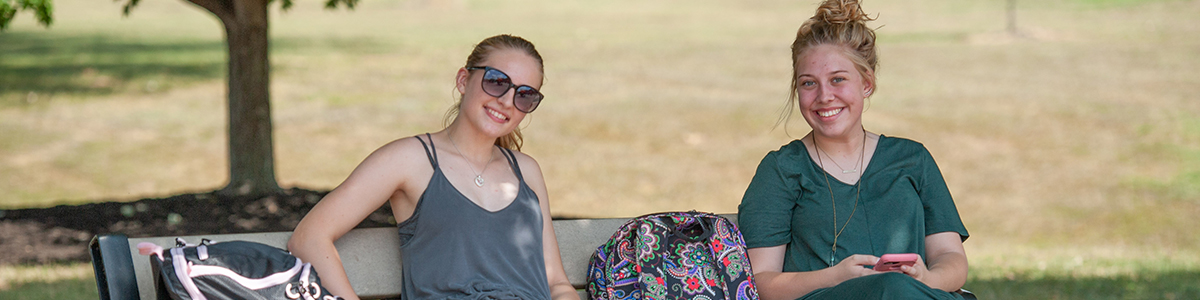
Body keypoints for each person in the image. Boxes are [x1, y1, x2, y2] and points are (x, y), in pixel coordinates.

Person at [288, 34, 579, 300]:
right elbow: (309, 238)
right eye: (497, 81)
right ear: (464, 80)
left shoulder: (526, 171)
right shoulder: (409, 159)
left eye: (525, 95)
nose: (506, 101)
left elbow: (557, 284)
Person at [735, 1, 970, 299]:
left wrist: (926, 279)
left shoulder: (912, 159)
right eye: (809, 83)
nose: (824, 96)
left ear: (867, 83)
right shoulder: (782, 170)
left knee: (897, 289)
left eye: (838, 80)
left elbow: (952, 257)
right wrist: (835, 278)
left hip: (916, 294)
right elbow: (762, 283)